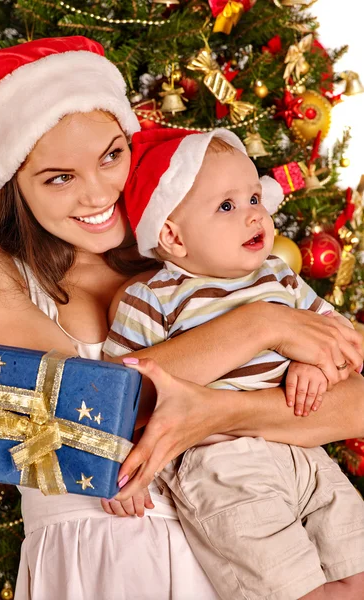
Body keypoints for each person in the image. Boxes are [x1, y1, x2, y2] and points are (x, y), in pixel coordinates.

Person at [0, 36, 363, 600]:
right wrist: (259, 325)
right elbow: (64, 416)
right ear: (13, 181)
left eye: (111, 155)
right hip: (98, 562)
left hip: (240, 560)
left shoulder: (188, 242)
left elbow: (355, 403)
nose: (98, 193)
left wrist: (214, 412)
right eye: (59, 177)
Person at [104, 127, 364, 600]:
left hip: (303, 450)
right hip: (222, 468)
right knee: (290, 589)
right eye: (227, 206)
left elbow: (342, 341)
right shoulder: (151, 299)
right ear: (172, 236)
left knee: (357, 573)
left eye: (252, 197)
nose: (253, 215)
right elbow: (115, 395)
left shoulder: (280, 278)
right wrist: (120, 472)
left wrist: (317, 366)